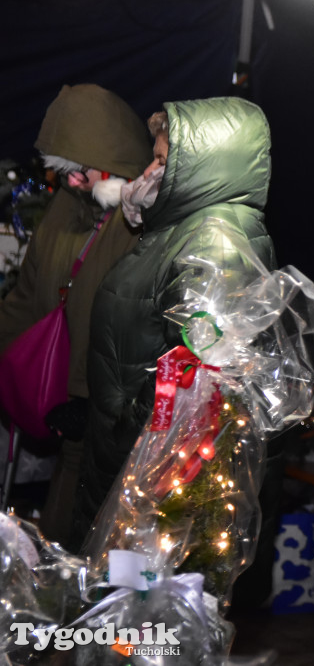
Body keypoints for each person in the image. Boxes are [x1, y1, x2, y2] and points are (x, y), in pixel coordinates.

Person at [70, 96, 276, 551]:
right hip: (124, 456)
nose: (150, 171)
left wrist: (130, 435)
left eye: (163, 160)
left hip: (152, 474)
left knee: (137, 616)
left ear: (202, 166)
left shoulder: (216, 242)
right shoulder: (179, 229)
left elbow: (193, 376)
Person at [0, 84, 151, 546]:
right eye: (62, 170)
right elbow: (27, 294)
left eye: (80, 171)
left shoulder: (139, 225)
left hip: (106, 413)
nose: (70, 182)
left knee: (84, 536)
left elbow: (136, 325)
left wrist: (92, 400)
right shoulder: (65, 211)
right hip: (59, 402)